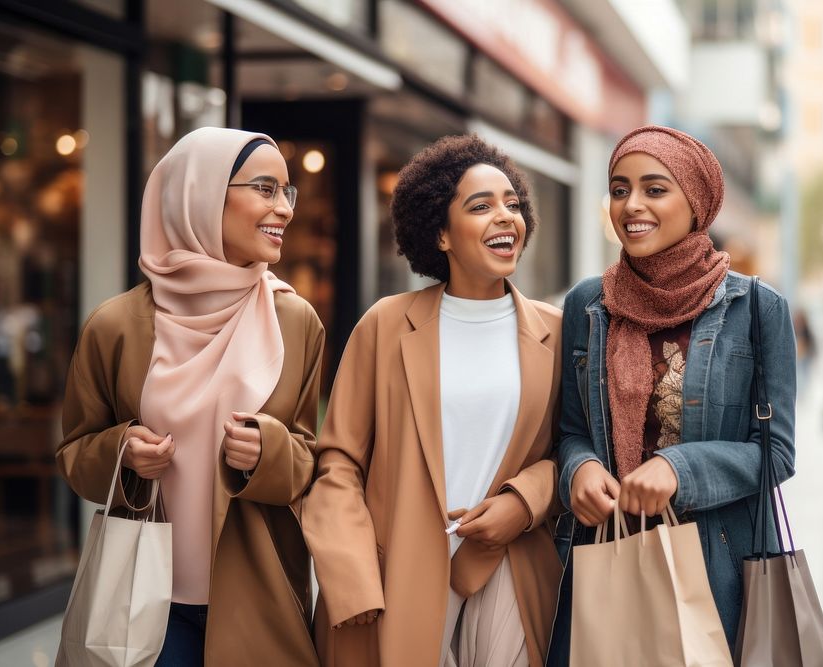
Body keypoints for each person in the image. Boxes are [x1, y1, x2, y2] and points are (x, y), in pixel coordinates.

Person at [57, 128, 323, 665]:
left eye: (287, 192)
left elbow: (312, 458)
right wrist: (122, 450)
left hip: (260, 591)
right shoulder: (115, 326)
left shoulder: (296, 321)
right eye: (267, 189)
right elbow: (74, 456)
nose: (285, 209)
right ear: (200, 196)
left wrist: (267, 453)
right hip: (145, 603)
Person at [303, 135, 563, 666]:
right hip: (394, 574)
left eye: (512, 204)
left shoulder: (558, 333)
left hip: (507, 565)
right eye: (481, 205)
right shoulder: (385, 325)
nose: (505, 217)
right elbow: (338, 462)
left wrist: (524, 501)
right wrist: (350, 575)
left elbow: (576, 451)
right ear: (441, 234)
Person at [547, 125, 797, 662]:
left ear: (697, 201)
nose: (631, 205)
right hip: (605, 558)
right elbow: (570, 432)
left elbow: (776, 454)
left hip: (717, 567)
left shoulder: (756, 307)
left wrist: (681, 469)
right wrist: (581, 469)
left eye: (654, 189)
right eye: (619, 189)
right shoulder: (587, 305)